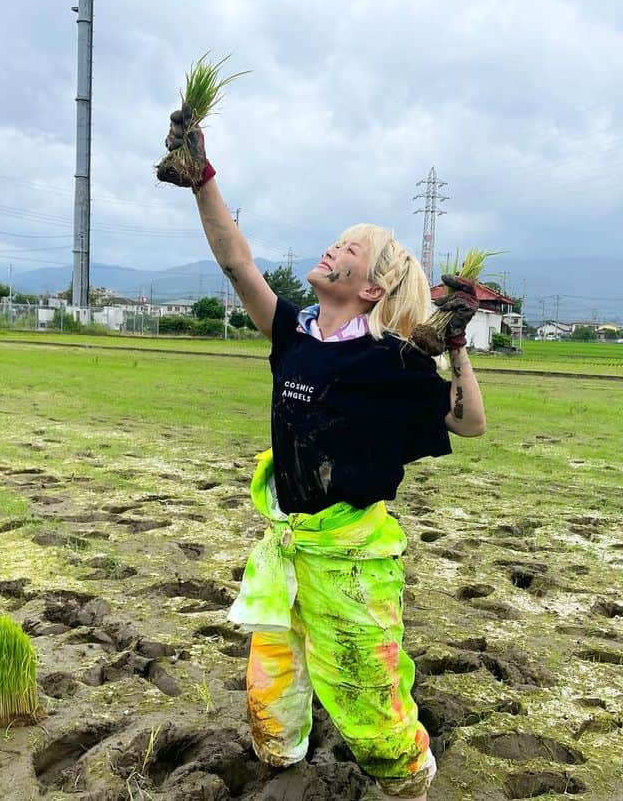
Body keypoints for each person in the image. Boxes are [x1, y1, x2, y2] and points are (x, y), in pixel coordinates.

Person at [160, 108, 486, 800]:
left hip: (352, 557)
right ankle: (282, 761)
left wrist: (455, 344)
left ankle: (408, 775)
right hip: (288, 544)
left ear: (371, 288)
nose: (332, 250)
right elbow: (236, 260)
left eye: (349, 250)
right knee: (271, 683)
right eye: (336, 241)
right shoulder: (292, 334)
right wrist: (202, 180)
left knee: (363, 689)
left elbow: (469, 423)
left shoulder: (394, 360)